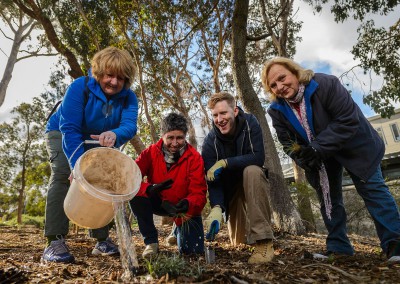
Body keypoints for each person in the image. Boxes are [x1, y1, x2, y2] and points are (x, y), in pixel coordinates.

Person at [262, 57, 400, 262]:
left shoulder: (325, 84)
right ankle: (338, 247)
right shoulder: (276, 110)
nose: (280, 86)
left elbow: (347, 119)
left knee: (372, 190)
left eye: (282, 78)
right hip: (320, 156)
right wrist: (302, 158)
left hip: (356, 145)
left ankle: (395, 244)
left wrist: (316, 147)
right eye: (273, 85)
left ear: (295, 72)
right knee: (328, 200)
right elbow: (287, 141)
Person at [43, 46, 139, 263]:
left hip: (100, 137)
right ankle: (54, 241)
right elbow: (70, 128)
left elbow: (129, 126)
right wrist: (77, 167)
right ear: (98, 73)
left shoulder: (129, 98)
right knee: (63, 175)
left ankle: (101, 240)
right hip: (62, 132)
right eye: (109, 75)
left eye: (120, 78)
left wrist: (115, 134)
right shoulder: (80, 87)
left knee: (104, 179)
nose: (114, 82)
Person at [201, 92, 275, 264]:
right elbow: (213, 181)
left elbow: (258, 157)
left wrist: (225, 162)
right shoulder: (209, 142)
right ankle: (243, 236)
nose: (219, 119)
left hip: (251, 180)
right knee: (238, 243)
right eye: (215, 115)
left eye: (223, 113)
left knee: (253, 171)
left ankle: (264, 242)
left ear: (234, 111)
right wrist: (217, 207)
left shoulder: (250, 122)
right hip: (230, 189)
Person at [129, 113, 207, 258]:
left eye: (180, 138)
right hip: (158, 202)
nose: (175, 143)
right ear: (162, 136)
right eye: (170, 138)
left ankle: (177, 228)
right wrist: (149, 189)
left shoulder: (195, 158)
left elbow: (199, 193)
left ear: (185, 137)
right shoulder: (150, 152)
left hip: (182, 208)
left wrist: (187, 203)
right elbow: (129, 179)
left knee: (192, 252)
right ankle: (151, 242)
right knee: (134, 195)